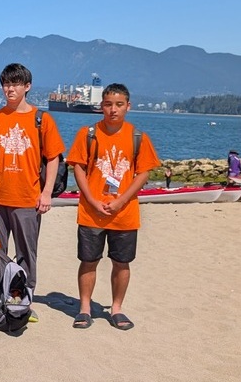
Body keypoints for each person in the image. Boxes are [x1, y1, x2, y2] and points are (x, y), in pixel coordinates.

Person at [67, 83, 160, 331]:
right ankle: (84, 308)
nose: (113, 110)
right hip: (91, 212)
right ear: (101, 106)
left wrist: (120, 201)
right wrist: (92, 200)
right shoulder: (88, 134)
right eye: (108, 104)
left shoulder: (137, 137)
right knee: (89, 261)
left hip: (124, 213)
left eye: (119, 105)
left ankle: (116, 308)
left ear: (128, 106)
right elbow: (78, 167)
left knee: (121, 262)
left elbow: (143, 173)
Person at [0, 63, 63, 322]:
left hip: (27, 199)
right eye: (6, 84)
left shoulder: (41, 120)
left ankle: (24, 300)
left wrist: (46, 193)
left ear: (27, 86)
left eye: (15, 84)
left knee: (27, 252)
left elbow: (53, 158)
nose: (10, 89)